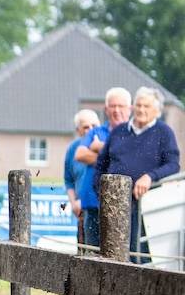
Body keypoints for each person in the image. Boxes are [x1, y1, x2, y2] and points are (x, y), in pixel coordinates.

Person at [95, 86, 181, 263]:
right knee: (110, 258)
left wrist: (151, 176)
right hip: (113, 207)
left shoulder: (164, 132)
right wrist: (101, 193)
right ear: (133, 106)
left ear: (157, 110)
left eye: (147, 106)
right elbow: (101, 165)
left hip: (144, 208)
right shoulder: (118, 131)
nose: (141, 110)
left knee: (139, 258)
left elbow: (173, 165)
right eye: (139, 105)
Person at [75, 88, 132, 256]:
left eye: (121, 106)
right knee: (92, 254)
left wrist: (100, 148)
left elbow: (131, 160)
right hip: (93, 204)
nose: (116, 110)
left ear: (130, 109)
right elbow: (80, 154)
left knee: (120, 257)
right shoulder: (96, 132)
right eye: (112, 106)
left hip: (123, 207)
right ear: (106, 109)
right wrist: (112, 156)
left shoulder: (134, 133)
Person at [64, 109, 101, 250]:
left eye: (94, 126)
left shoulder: (105, 145)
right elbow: (68, 180)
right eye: (86, 127)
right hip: (81, 211)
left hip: (100, 207)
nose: (90, 130)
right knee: (84, 254)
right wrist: (73, 202)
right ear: (78, 130)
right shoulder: (73, 149)